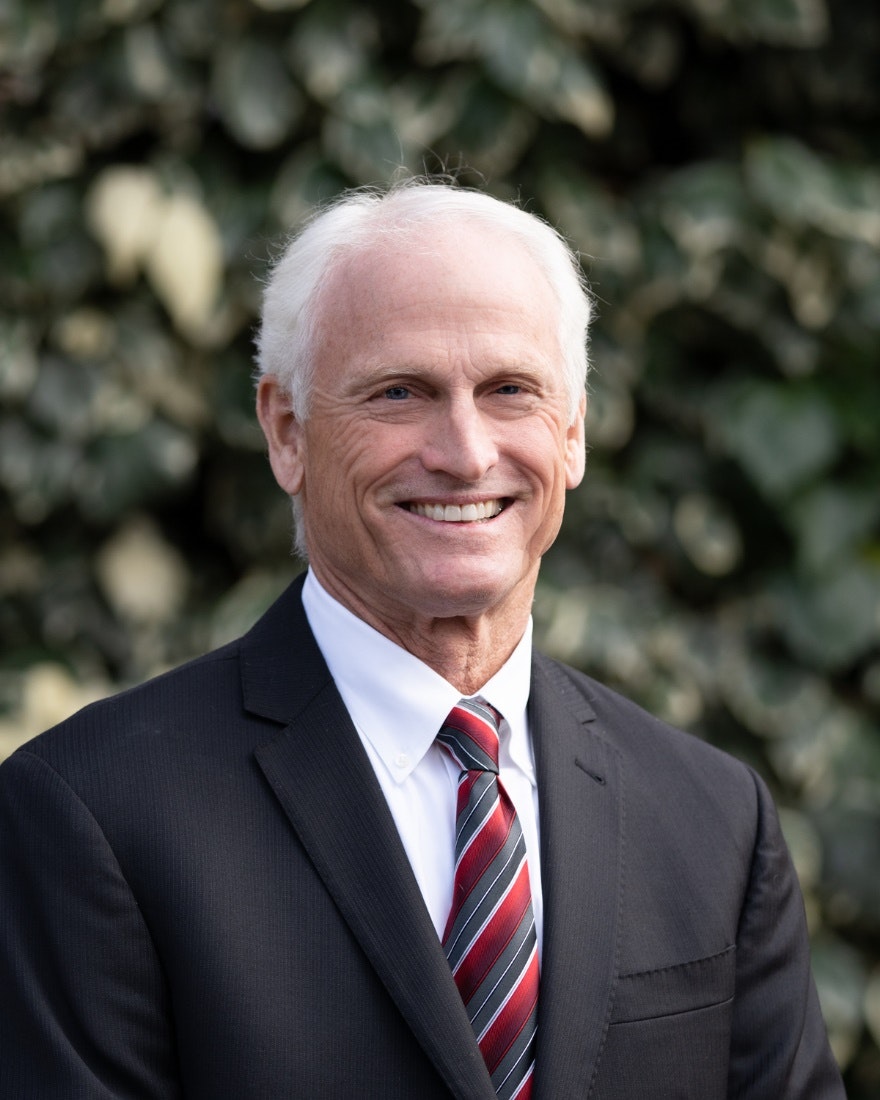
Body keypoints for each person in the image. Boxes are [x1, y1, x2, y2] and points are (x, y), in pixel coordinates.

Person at [0, 179, 844, 1100]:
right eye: (400, 392)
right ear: (287, 432)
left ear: (573, 435)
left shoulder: (715, 821)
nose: (467, 451)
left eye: (510, 390)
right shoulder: (90, 816)